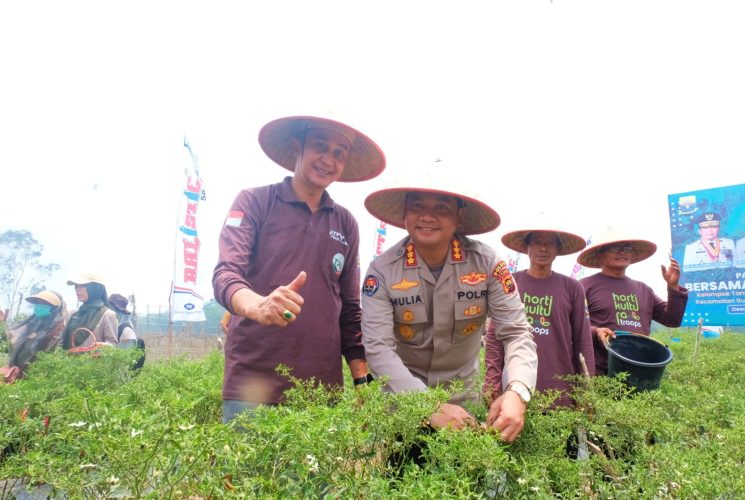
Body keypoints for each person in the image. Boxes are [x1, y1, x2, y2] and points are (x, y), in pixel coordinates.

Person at [212, 114, 386, 423]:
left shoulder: (345, 223)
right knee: (243, 471)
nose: (328, 159)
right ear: (297, 147)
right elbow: (226, 274)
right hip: (252, 386)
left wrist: (361, 379)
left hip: (320, 392)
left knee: (313, 472)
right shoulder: (255, 202)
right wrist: (257, 305)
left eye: (338, 153)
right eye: (320, 146)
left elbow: (349, 309)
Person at [360, 174, 537, 443]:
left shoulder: (487, 264)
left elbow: (516, 333)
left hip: (463, 409)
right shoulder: (382, 271)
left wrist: (518, 391)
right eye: (417, 206)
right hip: (402, 407)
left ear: (459, 216)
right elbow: (378, 348)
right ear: (405, 213)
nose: (427, 217)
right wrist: (427, 407)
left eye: (441, 208)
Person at [484, 229, 594, 408]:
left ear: (558, 249)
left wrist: (585, 392)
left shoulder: (572, 288)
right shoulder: (511, 283)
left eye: (550, 243)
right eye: (536, 242)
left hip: (560, 391)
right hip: (513, 391)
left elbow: (583, 341)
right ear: (526, 247)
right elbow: (494, 338)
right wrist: (492, 382)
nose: (543, 248)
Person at [577, 229, 688, 376]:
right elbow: (571, 325)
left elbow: (672, 319)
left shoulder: (643, 289)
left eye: (626, 248)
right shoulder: (584, 286)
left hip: (640, 369)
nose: (621, 252)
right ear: (600, 254)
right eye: (615, 248)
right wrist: (596, 331)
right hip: (600, 371)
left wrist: (673, 287)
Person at [1, 291, 67, 383]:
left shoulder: (58, 330)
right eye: (37, 303)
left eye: (44, 304)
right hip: (14, 373)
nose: (39, 306)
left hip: (35, 379)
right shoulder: (32, 324)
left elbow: (52, 358)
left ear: (55, 308)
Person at [61, 273, 119, 349]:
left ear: (95, 288)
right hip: (67, 360)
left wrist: (99, 346)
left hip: (92, 360)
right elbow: (62, 340)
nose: (77, 289)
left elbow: (113, 345)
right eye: (76, 286)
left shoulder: (107, 315)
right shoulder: (73, 314)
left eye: (82, 286)